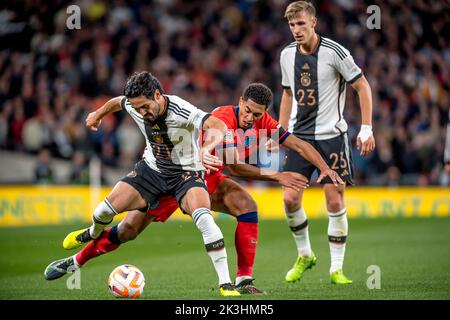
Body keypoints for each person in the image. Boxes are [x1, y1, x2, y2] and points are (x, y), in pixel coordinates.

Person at [45, 82, 343, 295]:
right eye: (248, 111)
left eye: (257, 114)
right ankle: (76, 260)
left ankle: (243, 281)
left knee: (248, 207)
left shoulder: (262, 119)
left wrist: (326, 169)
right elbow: (236, 166)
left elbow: (298, 144)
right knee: (128, 231)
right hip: (181, 178)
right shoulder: (224, 116)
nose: (250, 118)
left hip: (204, 184)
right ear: (240, 102)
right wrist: (278, 176)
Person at [44, 71, 240, 297]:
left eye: (145, 106)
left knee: (205, 219)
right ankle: (89, 237)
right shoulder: (133, 104)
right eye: (137, 109)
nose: (141, 112)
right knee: (114, 220)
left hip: (186, 175)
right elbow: (117, 102)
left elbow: (218, 126)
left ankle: (226, 284)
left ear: (158, 95)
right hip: (152, 171)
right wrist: (98, 114)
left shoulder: (179, 109)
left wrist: (205, 149)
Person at [277, 1, 376, 285]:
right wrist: (281, 130)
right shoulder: (286, 55)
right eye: (292, 25)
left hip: (332, 138)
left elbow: (362, 86)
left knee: (334, 199)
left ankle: (336, 269)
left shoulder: (335, 52)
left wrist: (366, 129)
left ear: (314, 22)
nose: (296, 30)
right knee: (289, 198)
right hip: (299, 137)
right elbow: (286, 93)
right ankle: (305, 255)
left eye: (301, 24)